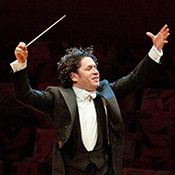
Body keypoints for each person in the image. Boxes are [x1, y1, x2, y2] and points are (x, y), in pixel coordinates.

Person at [10, 24, 169, 175]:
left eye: (96, 67)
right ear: (74, 76)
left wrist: (155, 50)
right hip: (72, 170)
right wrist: (21, 64)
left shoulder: (106, 92)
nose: (96, 72)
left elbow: (134, 78)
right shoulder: (58, 96)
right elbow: (25, 96)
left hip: (102, 169)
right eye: (89, 68)